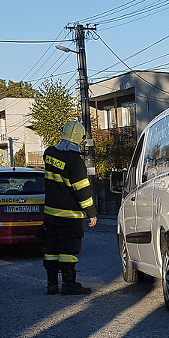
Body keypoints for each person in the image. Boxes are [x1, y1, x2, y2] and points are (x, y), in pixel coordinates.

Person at [42, 121, 98, 295]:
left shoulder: (49, 153)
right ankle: (68, 284)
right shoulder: (76, 162)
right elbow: (82, 191)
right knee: (68, 250)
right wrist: (92, 213)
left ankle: (52, 284)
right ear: (79, 139)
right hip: (70, 216)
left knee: (51, 249)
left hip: (50, 214)